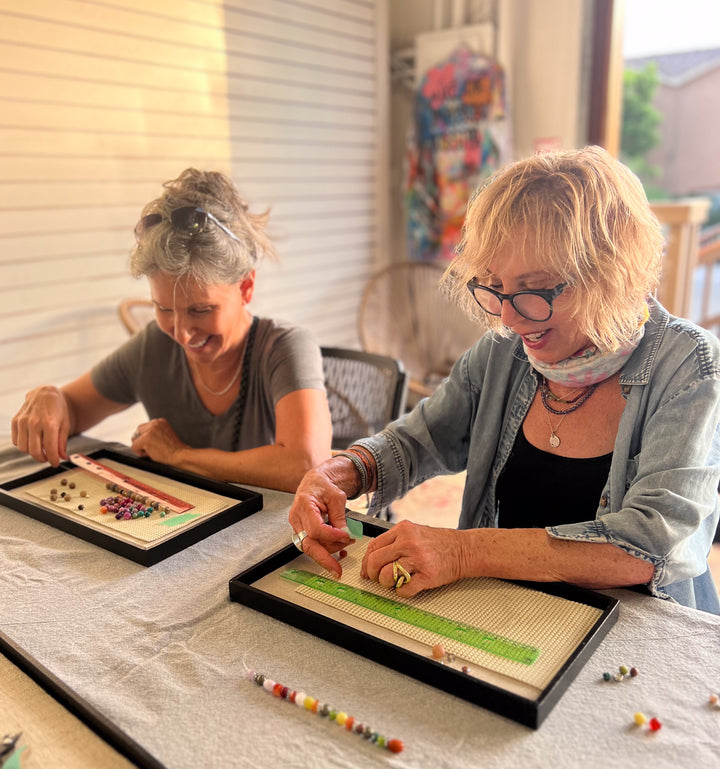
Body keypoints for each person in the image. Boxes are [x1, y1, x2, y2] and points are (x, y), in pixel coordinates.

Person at [289, 145, 720, 614]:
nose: (511, 319)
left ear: (609, 277)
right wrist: (337, 473)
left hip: (637, 632)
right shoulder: (503, 351)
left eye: (534, 290)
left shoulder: (686, 362)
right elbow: (418, 441)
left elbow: (649, 543)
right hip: (516, 614)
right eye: (496, 286)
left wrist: (463, 551)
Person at [11, 169, 332, 492]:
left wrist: (179, 456)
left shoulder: (285, 347)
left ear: (246, 287)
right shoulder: (153, 346)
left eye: (201, 310)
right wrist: (49, 396)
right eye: (163, 308)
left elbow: (305, 464)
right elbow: (72, 410)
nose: (181, 333)